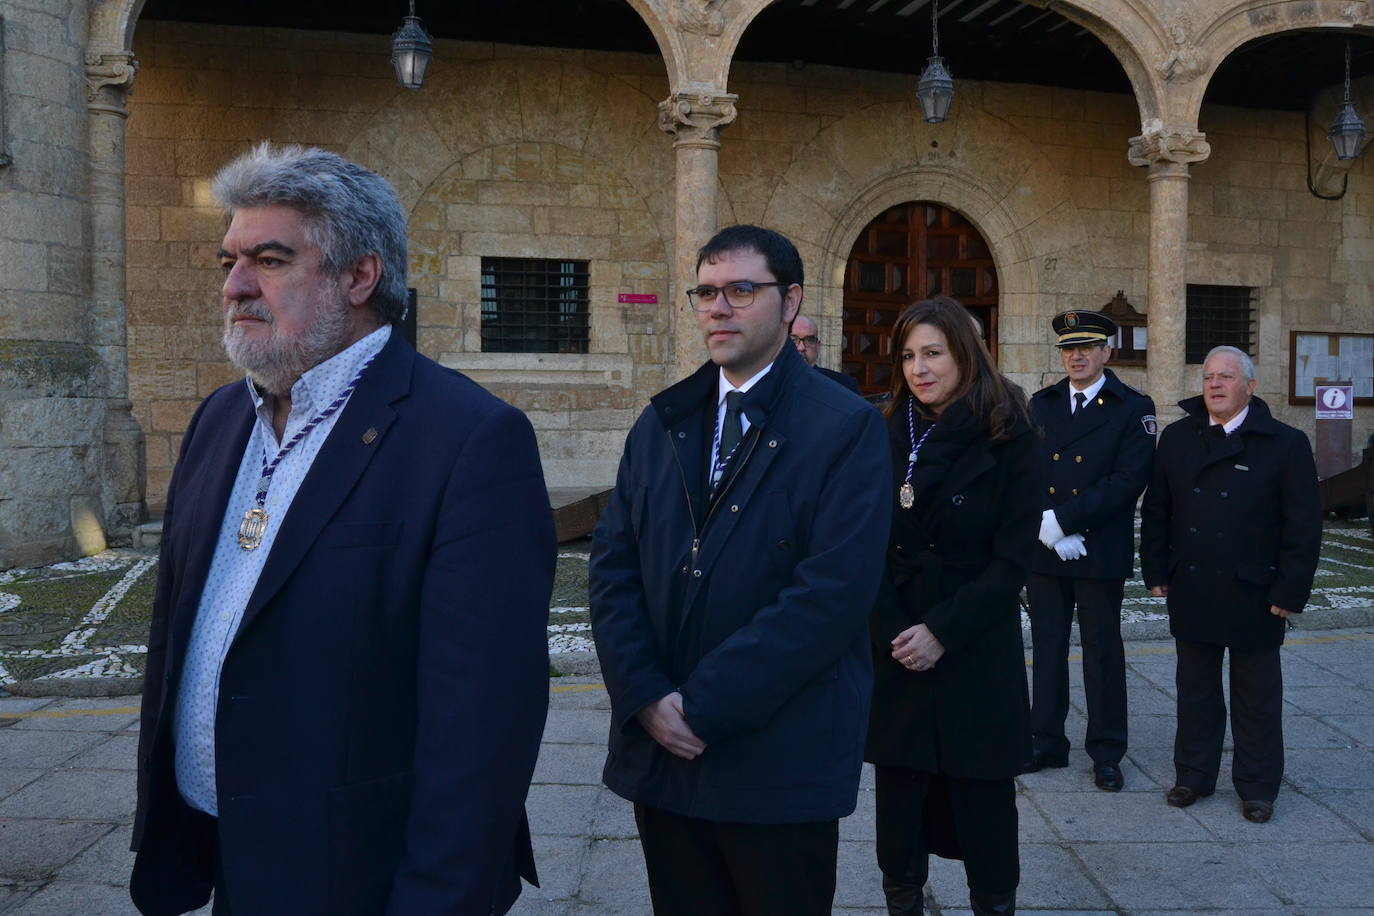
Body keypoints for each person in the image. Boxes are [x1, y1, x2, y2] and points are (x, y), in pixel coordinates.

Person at [130, 144, 555, 915]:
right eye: (228, 260)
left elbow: (483, 725)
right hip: (226, 854)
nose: (234, 286)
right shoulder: (220, 418)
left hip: (360, 874)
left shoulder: (467, 440)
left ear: (361, 276)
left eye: (270, 259)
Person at [589, 224, 891, 916]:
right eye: (706, 292)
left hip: (777, 761)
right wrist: (644, 697)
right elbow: (613, 565)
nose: (718, 308)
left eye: (740, 291)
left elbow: (831, 597)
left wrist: (703, 706)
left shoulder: (844, 428)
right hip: (666, 757)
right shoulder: (662, 422)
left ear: (790, 302)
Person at [866, 296, 1039, 916]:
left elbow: (1013, 560)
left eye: (933, 353)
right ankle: (902, 900)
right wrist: (895, 629)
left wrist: (942, 630)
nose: (919, 368)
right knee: (900, 798)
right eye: (908, 355)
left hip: (972, 643)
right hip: (897, 644)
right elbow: (861, 546)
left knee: (984, 802)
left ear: (965, 355)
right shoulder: (883, 430)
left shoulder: (1012, 433)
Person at [1140, 345, 1320, 824]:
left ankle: (1258, 786)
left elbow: (1302, 527)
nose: (1214, 385)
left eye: (1225, 377)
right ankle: (1192, 776)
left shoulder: (1285, 443)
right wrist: (1156, 569)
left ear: (1250, 386)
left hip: (1255, 591)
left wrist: (1289, 591)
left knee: (1255, 697)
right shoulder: (1177, 439)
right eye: (1208, 378)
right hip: (1193, 586)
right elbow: (1158, 508)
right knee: (1194, 690)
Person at [1024, 310, 1155, 791]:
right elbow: (1025, 468)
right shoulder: (1043, 403)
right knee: (1048, 648)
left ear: (1107, 352)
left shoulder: (1132, 407)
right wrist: (1048, 524)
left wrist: (1068, 520)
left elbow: (1127, 481)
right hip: (1046, 546)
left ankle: (1106, 750)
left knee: (1102, 651)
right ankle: (1046, 740)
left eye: (1086, 347)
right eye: (1067, 348)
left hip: (1097, 548)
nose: (1075, 356)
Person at [791, 313, 861, 392]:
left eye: (809, 340)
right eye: (793, 340)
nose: (801, 347)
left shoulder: (845, 385)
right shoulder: (774, 381)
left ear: (818, 346)